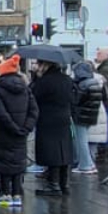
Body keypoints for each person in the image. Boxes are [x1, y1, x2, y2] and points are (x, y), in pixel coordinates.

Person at [0, 56, 36, 208]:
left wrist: (12, 127)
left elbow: (0, 113)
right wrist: (25, 128)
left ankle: (5, 194)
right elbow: (34, 110)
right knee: (17, 163)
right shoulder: (26, 90)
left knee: (3, 164)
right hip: (20, 133)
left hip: (1, 133)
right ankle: (16, 194)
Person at [30, 60, 78, 195]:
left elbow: (34, 96)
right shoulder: (67, 80)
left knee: (51, 152)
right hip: (64, 118)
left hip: (47, 119)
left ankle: (53, 184)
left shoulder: (44, 81)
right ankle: (64, 184)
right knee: (64, 150)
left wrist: (35, 79)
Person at [70, 60, 107, 175]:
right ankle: (89, 163)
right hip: (92, 114)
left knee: (81, 141)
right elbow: (105, 96)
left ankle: (85, 165)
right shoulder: (95, 82)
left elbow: (76, 100)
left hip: (81, 114)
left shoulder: (82, 84)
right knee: (84, 140)